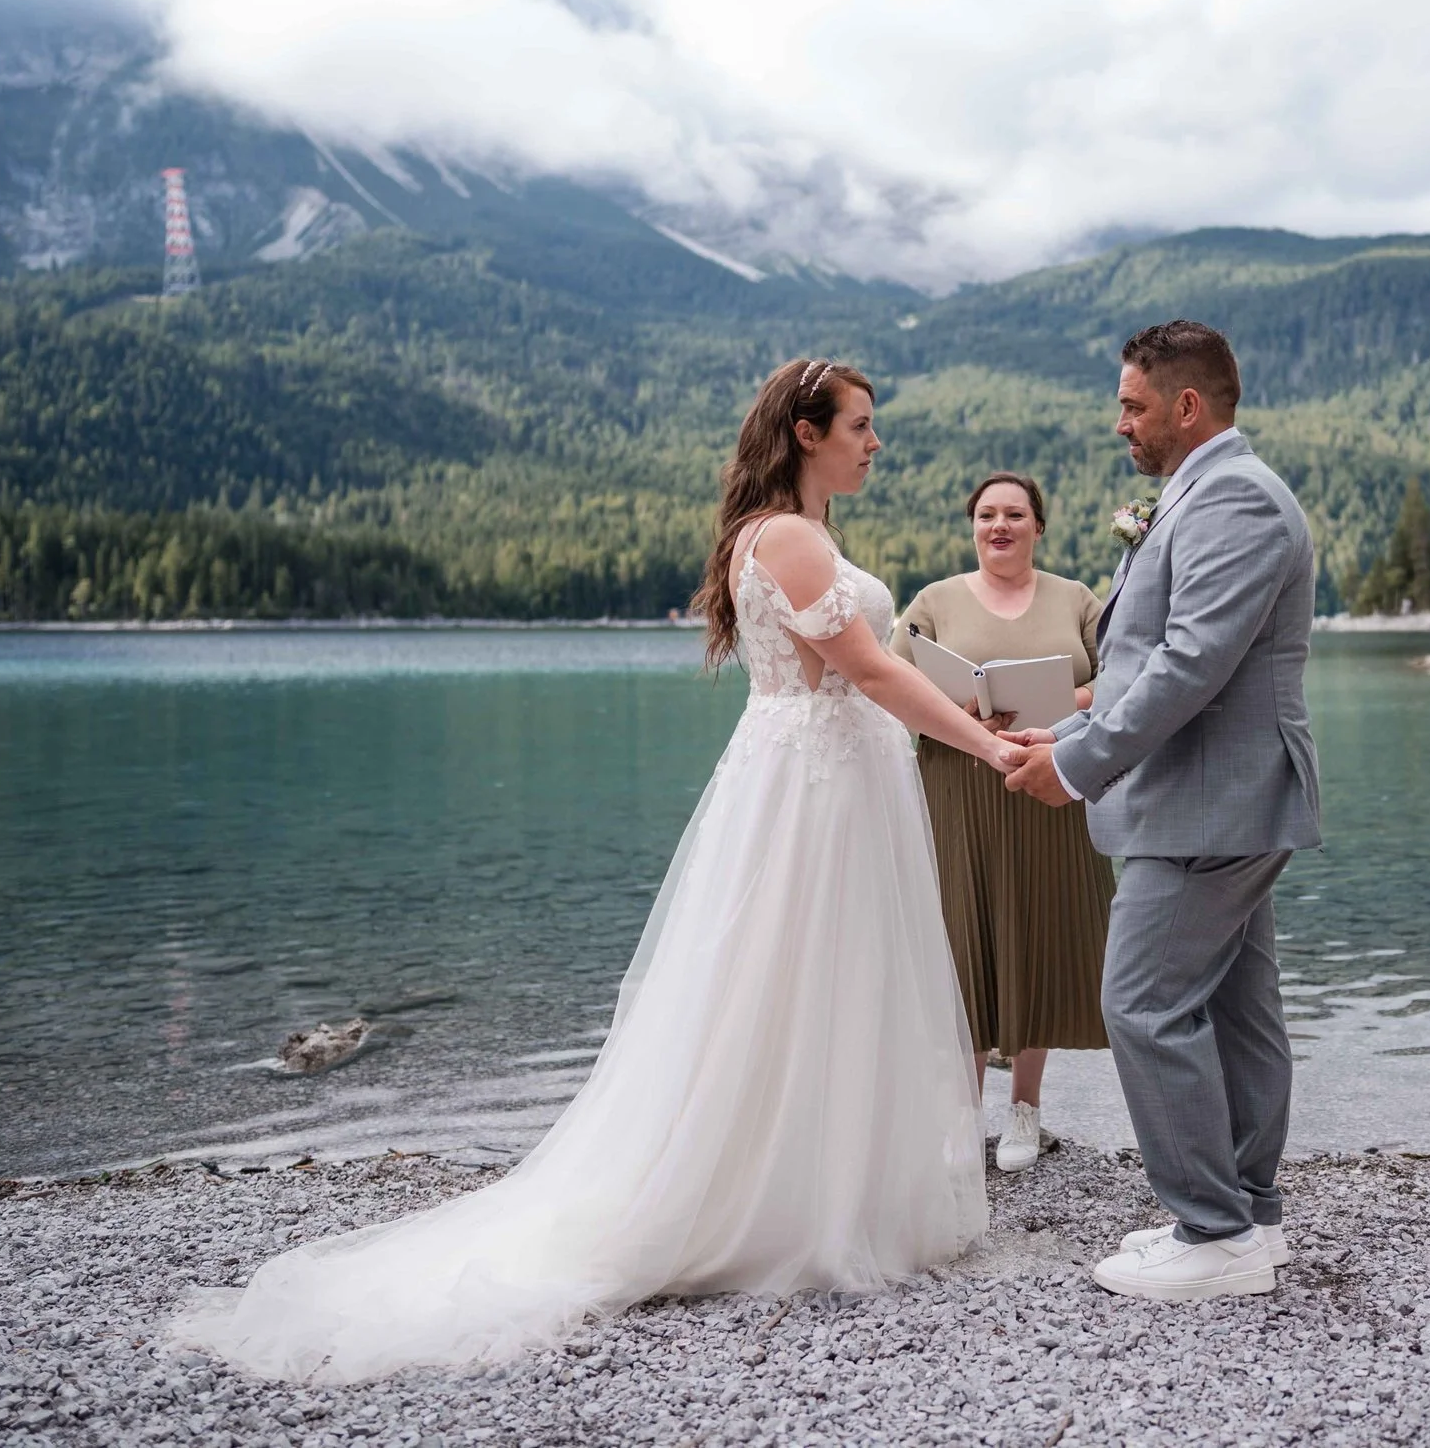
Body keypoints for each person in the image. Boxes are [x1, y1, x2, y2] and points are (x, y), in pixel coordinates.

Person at [174, 359, 1020, 1382]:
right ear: (807, 432)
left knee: (798, 985)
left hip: (817, 778)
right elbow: (870, 670)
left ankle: (811, 1180)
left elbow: (867, 668)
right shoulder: (792, 536)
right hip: (819, 792)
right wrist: (990, 750)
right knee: (802, 980)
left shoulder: (785, 533)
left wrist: (968, 716)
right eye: (860, 425)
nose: (874, 442)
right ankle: (784, 1200)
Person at [1005, 319, 1321, 1304]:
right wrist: (1063, 728)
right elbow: (1151, 660)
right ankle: (1246, 1218)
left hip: (1208, 803)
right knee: (1234, 1010)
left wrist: (1080, 765)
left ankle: (1213, 1230)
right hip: (1214, 799)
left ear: (1188, 406)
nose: (1119, 424)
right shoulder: (1198, 495)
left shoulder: (1235, 500)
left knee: (1142, 1002)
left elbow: (1192, 664)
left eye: (1132, 404)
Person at [889, 472, 1115, 1174]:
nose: (1000, 525)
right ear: (972, 524)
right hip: (958, 787)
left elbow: (1125, 677)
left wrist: (1067, 699)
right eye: (987, 514)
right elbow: (894, 685)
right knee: (963, 940)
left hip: (1051, 781)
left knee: (1035, 933)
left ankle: (1025, 1110)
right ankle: (962, 1121)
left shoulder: (1078, 599)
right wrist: (963, 716)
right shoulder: (933, 601)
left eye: (1015, 514)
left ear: (1037, 526)